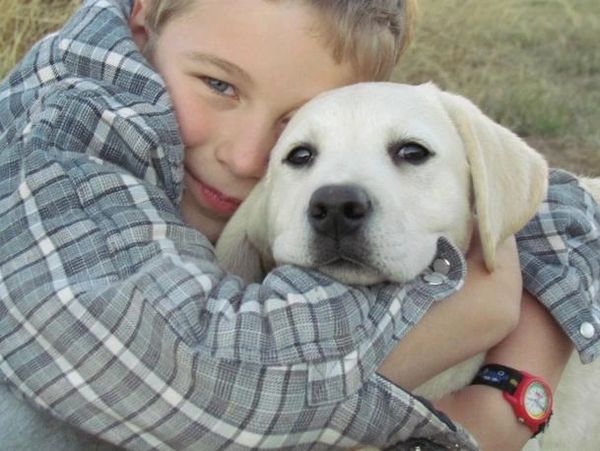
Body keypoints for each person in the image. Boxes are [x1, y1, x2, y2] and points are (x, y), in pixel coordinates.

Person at [0, 0, 598, 449]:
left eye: (294, 122)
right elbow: (174, 379)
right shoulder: (61, 132)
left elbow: (555, 195)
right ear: (143, 21)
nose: (245, 157)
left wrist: (523, 366)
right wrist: (466, 353)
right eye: (218, 84)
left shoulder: (248, 171)